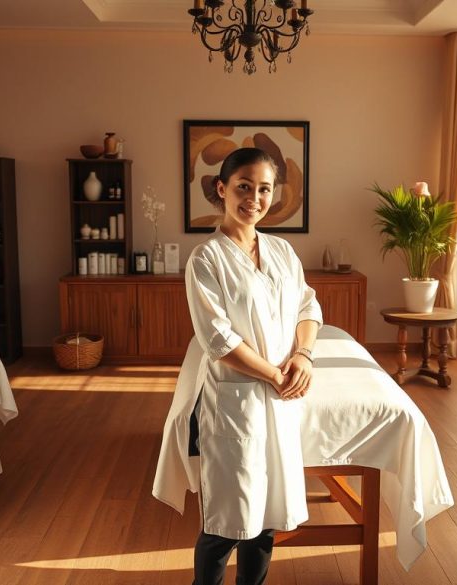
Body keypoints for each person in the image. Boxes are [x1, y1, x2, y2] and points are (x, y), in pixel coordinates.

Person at [183, 147, 322, 585]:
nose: (254, 198)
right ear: (222, 190)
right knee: (225, 521)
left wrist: (303, 354)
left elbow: (307, 305)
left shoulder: (282, 251)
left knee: (265, 520)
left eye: (264, 189)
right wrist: (276, 376)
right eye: (244, 187)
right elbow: (218, 339)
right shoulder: (206, 259)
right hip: (235, 401)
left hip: (279, 402)